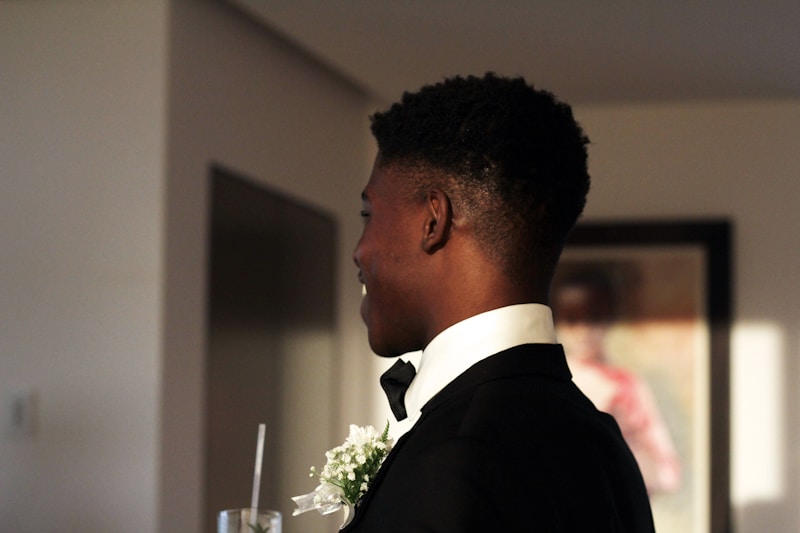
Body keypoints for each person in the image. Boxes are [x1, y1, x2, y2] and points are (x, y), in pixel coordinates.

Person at [347, 73, 654, 532]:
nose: (359, 250)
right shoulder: (602, 443)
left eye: (368, 215)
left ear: (433, 220)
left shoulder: (454, 460)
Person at [552, 267, 681, 495]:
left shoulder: (627, 385)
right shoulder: (550, 380)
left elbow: (667, 472)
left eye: (593, 317)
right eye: (572, 319)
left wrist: (623, 440)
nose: (583, 330)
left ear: (609, 317)